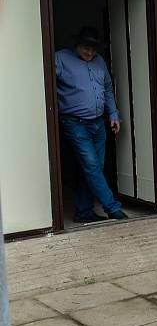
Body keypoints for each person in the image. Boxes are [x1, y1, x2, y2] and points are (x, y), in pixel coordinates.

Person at [55, 26, 128, 223]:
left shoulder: (99, 61)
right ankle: (113, 208)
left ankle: (83, 211)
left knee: (92, 168)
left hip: (98, 123)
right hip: (74, 123)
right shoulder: (60, 58)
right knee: (92, 167)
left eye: (93, 49)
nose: (90, 52)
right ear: (77, 44)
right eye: (86, 48)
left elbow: (107, 88)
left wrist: (113, 113)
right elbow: (44, 84)